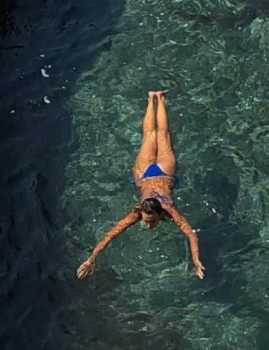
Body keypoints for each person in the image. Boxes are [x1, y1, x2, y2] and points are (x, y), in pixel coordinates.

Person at [77, 91, 204, 280]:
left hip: (147, 172)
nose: (147, 223)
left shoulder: (168, 208)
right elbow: (112, 233)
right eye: (147, 220)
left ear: (161, 213)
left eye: (150, 221)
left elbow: (190, 233)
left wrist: (196, 260)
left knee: (159, 134)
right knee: (152, 135)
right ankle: (152, 98)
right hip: (161, 172)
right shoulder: (138, 211)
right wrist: (92, 258)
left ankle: (158, 97)